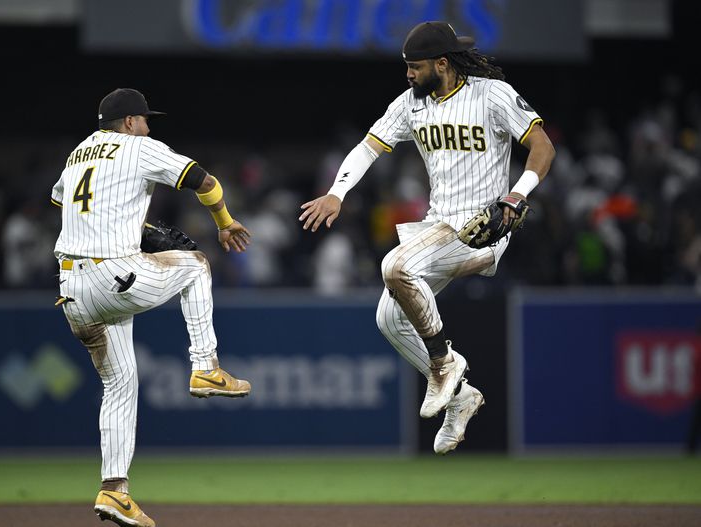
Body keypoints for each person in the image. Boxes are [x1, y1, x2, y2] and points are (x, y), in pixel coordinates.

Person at [300, 21, 555, 454]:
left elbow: (542, 146)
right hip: (439, 227)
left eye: (415, 67)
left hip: (484, 226)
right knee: (389, 318)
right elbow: (368, 147)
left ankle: (443, 363)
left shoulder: (491, 94)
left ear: (442, 63)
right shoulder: (409, 104)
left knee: (394, 266)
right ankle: (461, 397)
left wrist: (516, 194)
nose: (408, 74)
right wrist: (336, 192)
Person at [51, 88, 252, 527]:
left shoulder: (77, 154)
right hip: (113, 274)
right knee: (197, 265)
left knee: (120, 386)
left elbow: (68, 204)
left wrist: (136, 226)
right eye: (144, 119)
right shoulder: (139, 147)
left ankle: (114, 490)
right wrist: (225, 222)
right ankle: (206, 366)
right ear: (127, 122)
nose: (148, 126)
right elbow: (206, 181)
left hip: (72, 289)